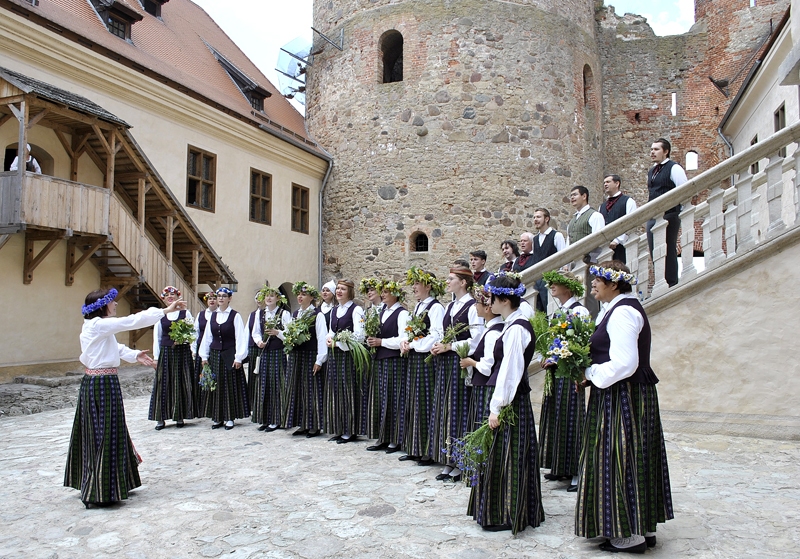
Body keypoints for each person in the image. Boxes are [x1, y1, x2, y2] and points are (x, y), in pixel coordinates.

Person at [575, 261, 673, 553]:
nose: (592, 285)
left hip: (622, 396)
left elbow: (625, 364)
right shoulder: (618, 309)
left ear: (614, 284)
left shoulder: (624, 313)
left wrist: (589, 374)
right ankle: (637, 526)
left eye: (598, 281)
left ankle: (629, 535)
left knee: (619, 457)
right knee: (630, 456)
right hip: (622, 394)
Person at [64, 287, 185, 508]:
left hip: (103, 382)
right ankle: (99, 489)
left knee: (109, 429)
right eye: (112, 302)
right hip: (101, 383)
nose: (116, 304)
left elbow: (113, 347)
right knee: (104, 431)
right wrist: (165, 310)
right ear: (102, 306)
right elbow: (131, 321)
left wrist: (133, 354)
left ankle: (114, 480)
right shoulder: (98, 325)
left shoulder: (97, 328)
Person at [467, 273, 545, 534]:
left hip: (512, 401)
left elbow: (510, 372)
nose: (489, 303)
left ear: (503, 300)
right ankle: (511, 509)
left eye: (491, 298)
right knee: (508, 454)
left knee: (509, 456)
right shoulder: (513, 324)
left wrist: (496, 407)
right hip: (514, 400)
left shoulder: (516, 329)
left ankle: (510, 513)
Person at [430, 267, 483, 482]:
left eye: (451, 279)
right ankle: (448, 459)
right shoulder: (450, 306)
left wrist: (450, 346)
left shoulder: (472, 306)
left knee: (459, 410)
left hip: (459, 363)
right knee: (446, 410)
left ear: (463, 282)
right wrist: (438, 345)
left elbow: (477, 339)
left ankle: (461, 461)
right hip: (445, 363)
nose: (447, 281)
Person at [538, 271, 589, 492]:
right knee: (556, 417)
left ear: (567, 287)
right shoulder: (559, 311)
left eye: (555, 284)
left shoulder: (579, 311)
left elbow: (580, 342)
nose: (551, 287)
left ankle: (577, 471)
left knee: (572, 419)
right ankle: (561, 465)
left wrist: (558, 357)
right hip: (556, 373)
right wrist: (545, 356)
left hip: (569, 374)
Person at [398, 267, 444, 465]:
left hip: (427, 360)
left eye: (417, 283)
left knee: (425, 403)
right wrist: (405, 342)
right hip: (414, 359)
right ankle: (414, 446)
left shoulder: (435, 308)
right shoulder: (417, 307)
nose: (414, 287)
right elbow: (410, 332)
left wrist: (415, 344)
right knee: (413, 401)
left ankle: (426, 450)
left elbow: (436, 335)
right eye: (414, 283)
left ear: (428, 286)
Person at [365, 281, 410, 454]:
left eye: (385, 292)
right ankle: (382, 436)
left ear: (396, 294)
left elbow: (403, 338)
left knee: (394, 398)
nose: (382, 294)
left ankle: (395, 438)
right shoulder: (382, 311)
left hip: (394, 360)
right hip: (380, 359)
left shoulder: (402, 313)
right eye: (381, 292)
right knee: (381, 398)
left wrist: (381, 342)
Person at [199, 287, 249, 430]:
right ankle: (217, 417)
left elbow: (240, 338)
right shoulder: (213, 316)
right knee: (216, 386)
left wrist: (239, 357)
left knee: (229, 386)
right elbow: (207, 337)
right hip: (215, 355)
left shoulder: (235, 316)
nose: (220, 298)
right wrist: (204, 355)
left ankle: (229, 417)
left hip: (229, 355)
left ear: (229, 298)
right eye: (219, 296)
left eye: (224, 296)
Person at [322, 279, 365, 444]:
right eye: (338, 289)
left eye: (343, 289)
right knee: (336, 391)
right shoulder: (334, 311)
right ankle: (339, 428)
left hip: (348, 356)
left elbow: (359, 335)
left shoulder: (356, 310)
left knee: (348, 391)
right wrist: (329, 339)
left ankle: (350, 430)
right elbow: (331, 331)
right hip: (335, 356)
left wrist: (338, 343)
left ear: (350, 292)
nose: (339, 291)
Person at [148, 286, 197, 430]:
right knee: (163, 383)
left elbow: (192, 332)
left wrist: (187, 342)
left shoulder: (185, 313)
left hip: (182, 352)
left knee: (181, 381)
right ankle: (160, 418)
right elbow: (157, 338)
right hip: (166, 352)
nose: (170, 297)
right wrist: (156, 357)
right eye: (167, 295)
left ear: (177, 297)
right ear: (163, 298)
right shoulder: (160, 315)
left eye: (173, 295)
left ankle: (179, 415)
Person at [284, 282, 328, 438]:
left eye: (303, 294)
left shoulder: (318, 315)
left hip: (310, 356)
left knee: (312, 391)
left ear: (311, 297)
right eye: (299, 294)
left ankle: (314, 425)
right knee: (297, 389)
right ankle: (302, 423)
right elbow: (289, 335)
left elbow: (322, 337)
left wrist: (320, 360)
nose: (300, 297)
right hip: (297, 356)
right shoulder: (295, 314)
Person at [460, 284, 503, 435]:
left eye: (477, 303)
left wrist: (470, 362)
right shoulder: (492, 329)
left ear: (487, 309)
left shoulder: (492, 333)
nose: (475, 306)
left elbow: (488, 366)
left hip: (485, 386)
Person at [647, 138, 687, 287]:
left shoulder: (674, 168)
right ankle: (660, 282)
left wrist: (678, 212)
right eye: (651, 149)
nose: (652, 152)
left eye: (656, 149)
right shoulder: (652, 171)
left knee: (668, 249)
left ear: (666, 151)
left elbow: (683, 189)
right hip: (653, 216)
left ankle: (671, 283)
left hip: (670, 214)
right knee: (654, 251)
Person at [251, 286, 291, 432]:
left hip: (278, 353)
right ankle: (265, 418)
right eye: (267, 296)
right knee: (264, 385)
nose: (269, 298)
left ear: (278, 298)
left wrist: (277, 333)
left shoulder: (284, 314)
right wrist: (258, 342)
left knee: (277, 385)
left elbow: (289, 334)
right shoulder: (260, 314)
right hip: (265, 354)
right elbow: (255, 332)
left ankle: (277, 419)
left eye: (272, 296)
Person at [567, 185, 605, 316]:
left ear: (584, 196)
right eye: (571, 195)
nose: (572, 197)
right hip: (575, 265)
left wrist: (590, 259)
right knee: (577, 296)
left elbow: (598, 240)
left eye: (575, 194)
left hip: (590, 263)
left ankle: (593, 324)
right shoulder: (572, 220)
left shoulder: (595, 216)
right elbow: (568, 244)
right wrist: (567, 264)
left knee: (590, 296)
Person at [359, 278, 385, 439]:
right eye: (367, 290)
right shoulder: (368, 311)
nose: (369, 292)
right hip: (370, 352)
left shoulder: (386, 309)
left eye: (372, 290)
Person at [531, 208, 566, 312]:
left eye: (538, 217)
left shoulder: (556, 236)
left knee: (551, 310)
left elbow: (564, 257)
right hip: (538, 282)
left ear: (546, 219)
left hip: (552, 280)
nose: (535, 220)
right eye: (534, 217)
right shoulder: (535, 239)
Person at [599, 174, 637, 263]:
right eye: (604, 182)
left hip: (622, 247)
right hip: (606, 248)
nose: (605, 184)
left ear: (617, 184)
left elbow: (631, 223)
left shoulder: (628, 201)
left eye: (608, 182)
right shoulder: (602, 206)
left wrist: (617, 240)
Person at [191, 292, 218, 411]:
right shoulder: (201, 315)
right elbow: (195, 332)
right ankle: (201, 406)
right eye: (210, 299)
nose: (212, 301)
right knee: (201, 377)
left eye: (214, 298)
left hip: (214, 350)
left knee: (213, 377)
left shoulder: (220, 315)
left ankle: (213, 404)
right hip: (201, 350)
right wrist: (194, 349)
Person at [246, 292, 267, 412]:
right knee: (253, 375)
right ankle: (252, 402)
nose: (258, 300)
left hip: (264, 348)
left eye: (261, 298)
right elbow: (247, 332)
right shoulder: (252, 315)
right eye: (256, 298)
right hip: (253, 348)